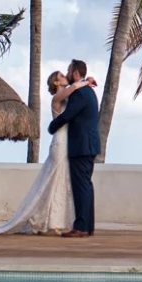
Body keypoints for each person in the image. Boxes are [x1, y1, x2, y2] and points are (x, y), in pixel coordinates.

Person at [0, 70, 94, 235]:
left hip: (70, 143)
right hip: (60, 143)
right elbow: (73, 88)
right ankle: (41, 219)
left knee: (61, 181)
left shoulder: (69, 97)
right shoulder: (58, 98)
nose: (65, 76)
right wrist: (86, 82)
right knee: (53, 179)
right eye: (61, 76)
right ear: (56, 83)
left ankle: (54, 221)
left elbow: (74, 94)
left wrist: (86, 81)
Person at [49, 58, 100, 238]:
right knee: (86, 186)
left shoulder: (80, 94)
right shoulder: (87, 91)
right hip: (88, 145)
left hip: (81, 146)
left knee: (81, 188)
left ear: (75, 73)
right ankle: (88, 226)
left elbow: (68, 115)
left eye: (69, 71)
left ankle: (81, 227)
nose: (67, 73)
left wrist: (52, 127)